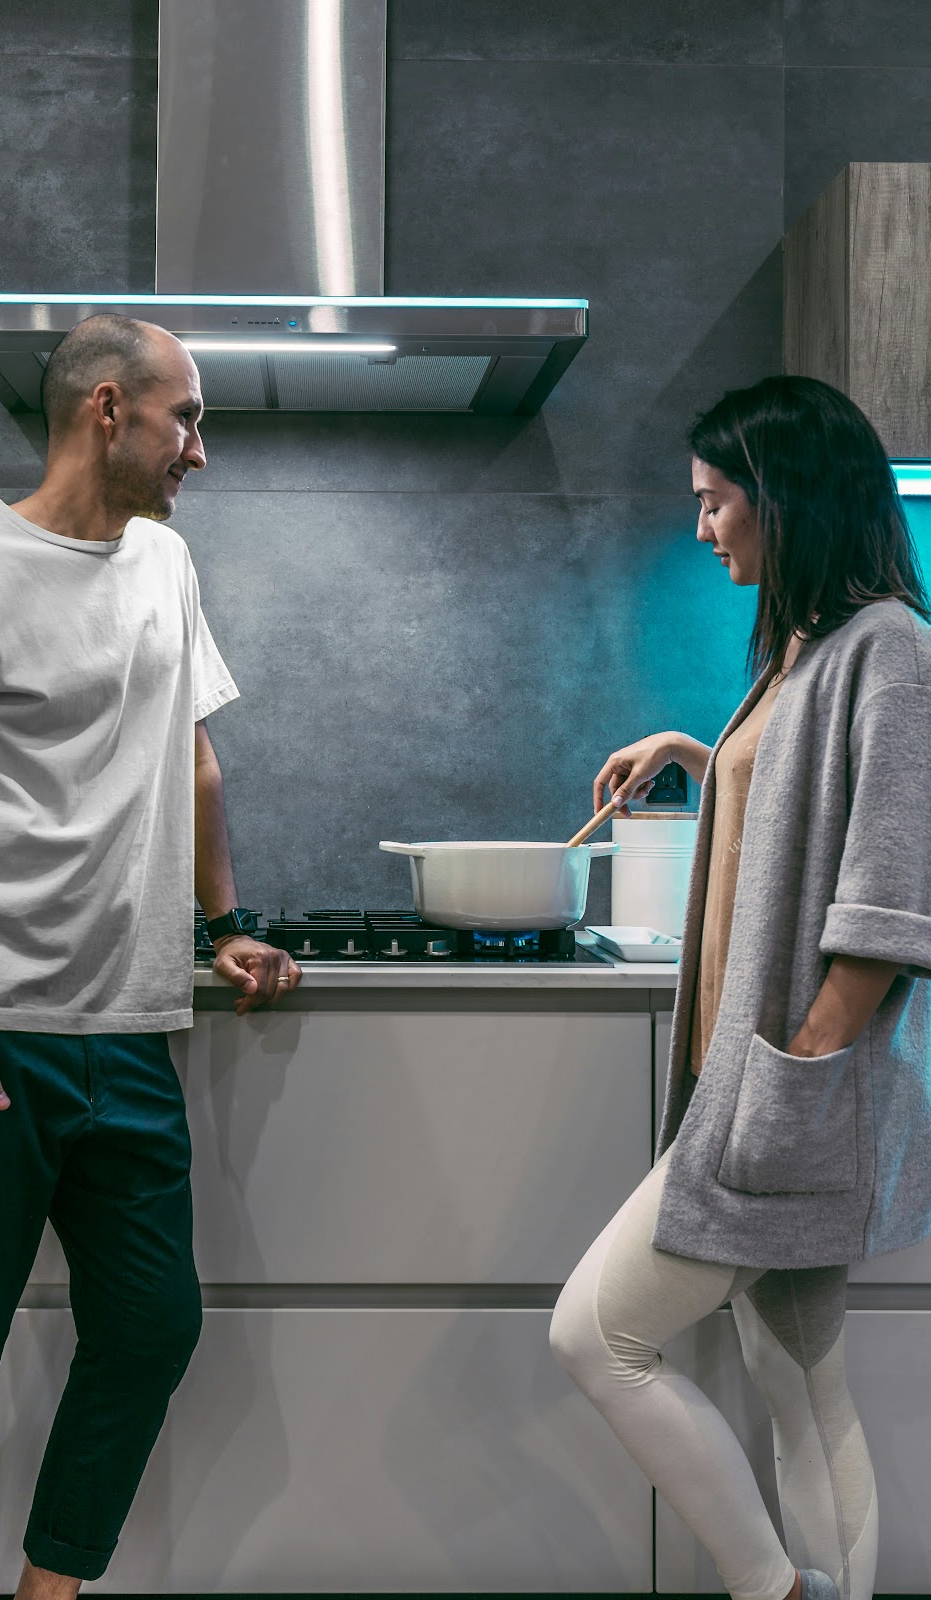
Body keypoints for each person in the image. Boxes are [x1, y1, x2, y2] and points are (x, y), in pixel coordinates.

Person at [0, 313, 301, 1599]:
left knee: (155, 1325)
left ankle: (52, 1587)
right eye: (186, 419)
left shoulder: (163, 565)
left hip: (130, 1032)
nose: (198, 452)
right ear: (107, 409)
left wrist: (225, 926)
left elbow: (195, 754)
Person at [549, 374, 931, 1600]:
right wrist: (695, 751)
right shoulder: (815, 647)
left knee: (596, 1334)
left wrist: (799, 1074)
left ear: (783, 496)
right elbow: (801, 796)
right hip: (764, 1081)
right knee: (796, 1374)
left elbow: (884, 900)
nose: (705, 526)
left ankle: (773, 1589)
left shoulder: (892, 651)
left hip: (784, 1090)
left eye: (717, 503)